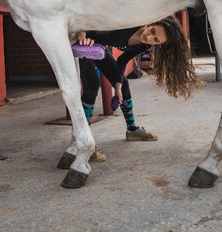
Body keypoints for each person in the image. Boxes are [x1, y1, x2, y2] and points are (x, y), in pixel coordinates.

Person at [76, 16, 203, 161]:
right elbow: (89, 20)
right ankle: (83, 142)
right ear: (151, 23)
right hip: (83, 43)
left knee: (124, 85)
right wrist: (83, 36)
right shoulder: (131, 22)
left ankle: (132, 130)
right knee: (92, 86)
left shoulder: (145, 44)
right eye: (153, 30)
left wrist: (117, 86)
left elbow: (123, 59)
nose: (149, 37)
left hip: (98, 47)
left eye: (155, 40)